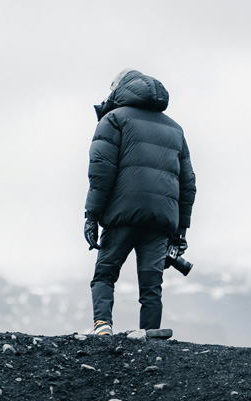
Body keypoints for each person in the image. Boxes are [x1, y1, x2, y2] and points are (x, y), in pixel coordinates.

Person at [83, 69, 196, 336]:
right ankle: (150, 335)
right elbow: (188, 184)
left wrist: (91, 216)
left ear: (119, 89)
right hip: (161, 220)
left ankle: (102, 326)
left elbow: (101, 173)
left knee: (105, 274)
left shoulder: (113, 120)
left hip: (122, 214)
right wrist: (180, 231)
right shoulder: (175, 129)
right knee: (151, 284)